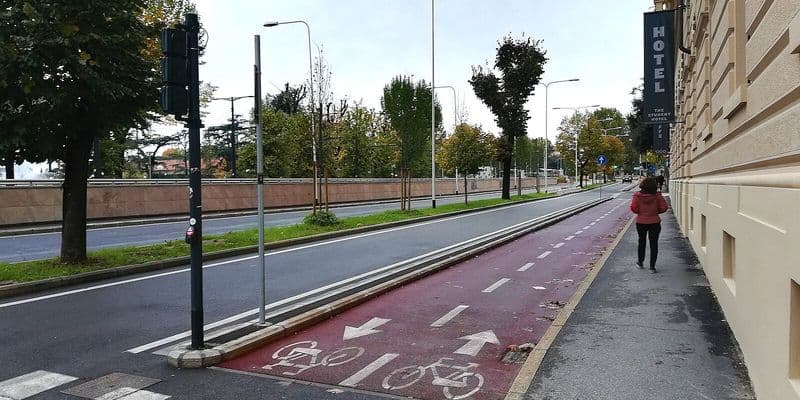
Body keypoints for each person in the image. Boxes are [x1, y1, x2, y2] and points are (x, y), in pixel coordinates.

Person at [630, 177, 669, 272]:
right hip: (654, 222)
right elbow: (664, 207)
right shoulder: (657, 196)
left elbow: (634, 208)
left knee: (641, 242)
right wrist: (655, 212)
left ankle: (640, 262)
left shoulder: (637, 196)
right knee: (654, 243)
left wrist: (641, 212)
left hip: (641, 222)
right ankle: (652, 267)